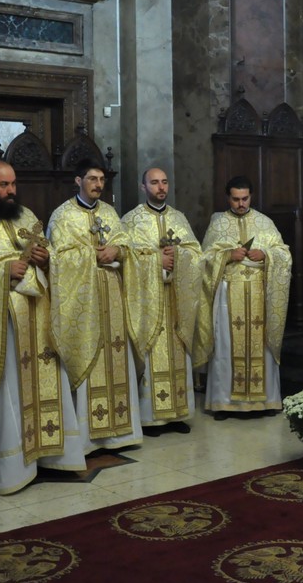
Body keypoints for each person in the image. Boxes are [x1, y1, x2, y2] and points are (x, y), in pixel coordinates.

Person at [0, 160, 88, 494]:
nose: (11, 191)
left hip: (38, 317)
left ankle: (57, 458)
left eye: (13, 184)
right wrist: (0, 273)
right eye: (2, 185)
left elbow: (48, 250)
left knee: (48, 383)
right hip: (3, 325)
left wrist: (46, 259)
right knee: (10, 391)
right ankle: (14, 468)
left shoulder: (26, 217)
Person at [47, 159, 143, 452]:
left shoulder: (110, 213)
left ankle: (122, 433)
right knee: (90, 355)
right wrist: (92, 256)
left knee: (117, 356)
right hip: (84, 301)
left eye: (101, 179)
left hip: (112, 294)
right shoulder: (62, 216)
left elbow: (127, 245)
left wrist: (118, 250)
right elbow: (58, 258)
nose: (98, 184)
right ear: (78, 181)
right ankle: (90, 438)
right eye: (92, 179)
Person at [197, 175, 292, 417]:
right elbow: (204, 258)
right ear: (228, 197)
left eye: (245, 198)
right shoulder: (218, 224)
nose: (241, 204)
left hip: (260, 293)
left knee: (261, 345)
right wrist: (227, 256)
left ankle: (266, 402)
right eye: (236, 199)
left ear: (251, 196)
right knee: (226, 345)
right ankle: (223, 402)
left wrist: (267, 254)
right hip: (229, 294)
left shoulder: (265, 222)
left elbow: (284, 253)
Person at [121, 167, 201, 434]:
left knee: (177, 352)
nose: (160, 187)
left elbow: (196, 253)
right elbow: (127, 258)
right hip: (148, 303)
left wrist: (179, 258)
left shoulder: (179, 218)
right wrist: (158, 261)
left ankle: (178, 413)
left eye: (164, 182)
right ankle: (151, 417)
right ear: (143, 187)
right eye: (154, 183)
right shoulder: (131, 220)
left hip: (176, 302)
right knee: (153, 352)